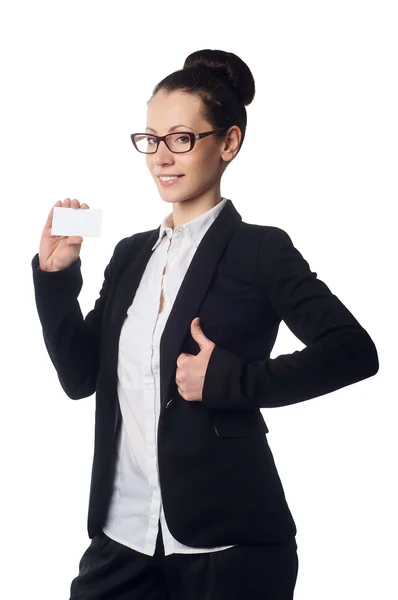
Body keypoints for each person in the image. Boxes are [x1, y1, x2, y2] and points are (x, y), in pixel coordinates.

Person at [31, 49, 379, 600]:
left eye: (181, 138)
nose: (161, 158)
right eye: (150, 139)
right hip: (122, 538)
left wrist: (232, 382)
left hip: (229, 549)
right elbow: (79, 377)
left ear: (229, 142)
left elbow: (354, 350)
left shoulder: (261, 250)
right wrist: (55, 279)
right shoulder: (129, 255)